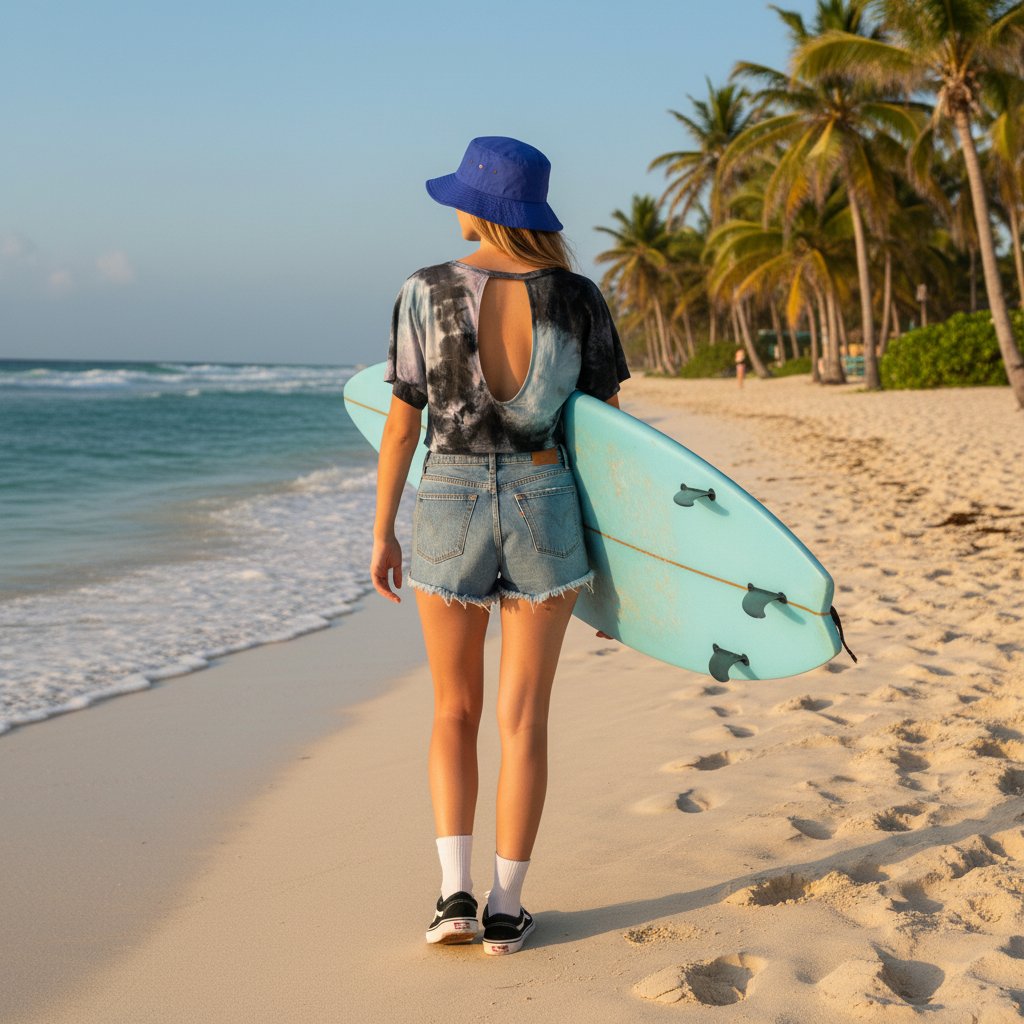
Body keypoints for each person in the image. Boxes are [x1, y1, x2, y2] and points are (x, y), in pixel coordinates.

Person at [371, 137, 629, 956]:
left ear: (477, 207)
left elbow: (403, 423)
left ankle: (454, 897)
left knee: (454, 708)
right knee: (524, 718)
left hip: (446, 495)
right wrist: (620, 571)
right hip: (547, 497)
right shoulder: (578, 297)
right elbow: (607, 440)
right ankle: (508, 908)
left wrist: (382, 530)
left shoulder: (424, 289)